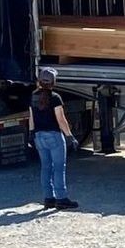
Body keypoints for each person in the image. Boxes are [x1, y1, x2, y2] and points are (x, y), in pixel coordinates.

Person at [30, 67, 78, 209]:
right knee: (58, 168)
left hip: (39, 136)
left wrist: (31, 133)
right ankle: (61, 199)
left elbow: (31, 116)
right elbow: (61, 119)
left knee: (45, 167)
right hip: (54, 136)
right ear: (53, 82)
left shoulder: (33, 96)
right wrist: (69, 136)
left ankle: (48, 198)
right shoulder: (55, 97)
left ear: (39, 81)